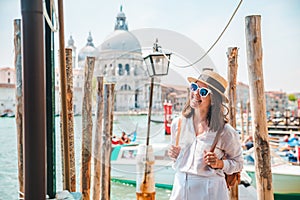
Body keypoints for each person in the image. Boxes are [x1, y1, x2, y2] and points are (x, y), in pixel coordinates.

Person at [167, 70, 243, 200]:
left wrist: (219, 163)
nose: (196, 93)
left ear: (213, 100)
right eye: (194, 87)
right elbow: (177, 160)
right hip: (180, 189)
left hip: (210, 192)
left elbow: (238, 163)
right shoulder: (177, 124)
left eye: (203, 92)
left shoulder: (225, 131)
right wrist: (173, 155)